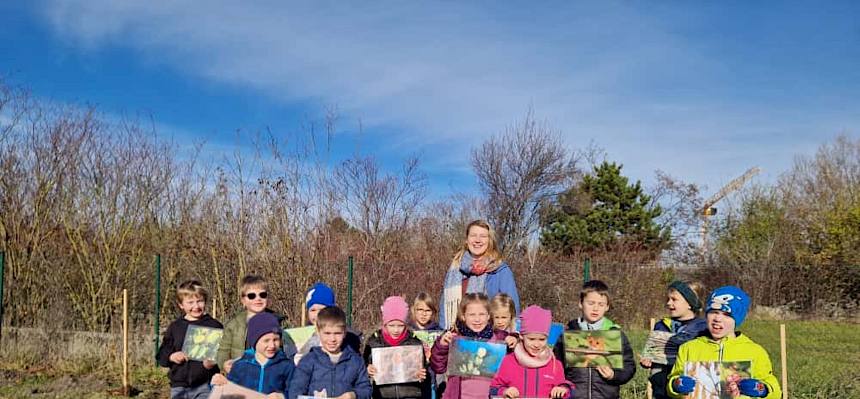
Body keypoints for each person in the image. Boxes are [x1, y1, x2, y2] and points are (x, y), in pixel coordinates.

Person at [668, 286, 781, 399]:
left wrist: (762, 389)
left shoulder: (755, 351)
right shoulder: (688, 348)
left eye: (726, 314)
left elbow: (775, 390)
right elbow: (672, 382)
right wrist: (676, 385)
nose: (717, 319)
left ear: (737, 320)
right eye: (713, 312)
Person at [554, 280, 636, 399]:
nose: (595, 308)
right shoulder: (568, 333)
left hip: (606, 395)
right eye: (591, 303)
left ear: (607, 307)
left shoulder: (615, 334)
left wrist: (613, 375)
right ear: (581, 304)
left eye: (601, 304)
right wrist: (562, 385)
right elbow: (556, 365)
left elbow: (629, 366)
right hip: (574, 395)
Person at [440, 220, 520, 330]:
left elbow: (513, 309)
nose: (477, 240)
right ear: (467, 240)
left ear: (489, 241)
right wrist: (444, 332)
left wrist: (512, 334)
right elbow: (445, 308)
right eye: (473, 235)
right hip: (458, 334)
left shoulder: (500, 270)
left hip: (492, 335)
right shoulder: (455, 269)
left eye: (483, 236)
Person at [430, 293, 508, 399]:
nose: (477, 319)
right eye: (472, 315)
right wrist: (442, 345)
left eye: (481, 314)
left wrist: (513, 339)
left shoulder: (498, 340)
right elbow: (438, 367)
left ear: (489, 315)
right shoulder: (456, 339)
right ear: (463, 316)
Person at [640, 280, 708, 399]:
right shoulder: (661, 326)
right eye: (668, 299)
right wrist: (648, 361)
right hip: (660, 390)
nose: (668, 303)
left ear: (690, 303)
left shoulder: (702, 329)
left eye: (674, 299)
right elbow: (653, 357)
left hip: (687, 390)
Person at [156, 279, 223, 399]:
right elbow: (161, 355)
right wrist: (172, 356)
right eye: (190, 302)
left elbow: (224, 354)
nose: (196, 306)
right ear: (181, 305)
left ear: (205, 301)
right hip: (179, 386)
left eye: (200, 301)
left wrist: (213, 363)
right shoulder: (175, 327)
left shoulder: (215, 326)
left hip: (206, 384)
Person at [289, 306, 373, 399]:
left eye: (337, 333)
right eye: (327, 333)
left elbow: (366, 389)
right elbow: (295, 392)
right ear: (318, 332)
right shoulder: (308, 361)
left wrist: (353, 395)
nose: (332, 339)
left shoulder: (355, 361)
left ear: (344, 333)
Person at [491, 305, 574, 398]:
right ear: (522, 336)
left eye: (542, 339)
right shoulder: (509, 361)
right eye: (532, 339)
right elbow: (493, 389)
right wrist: (505, 391)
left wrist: (563, 389)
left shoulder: (555, 364)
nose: (536, 344)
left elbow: (567, 389)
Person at [212, 312, 295, 398]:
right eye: (266, 341)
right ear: (254, 342)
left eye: (276, 340)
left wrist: (282, 396)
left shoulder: (286, 366)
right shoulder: (240, 365)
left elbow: (295, 392)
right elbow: (228, 391)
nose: (272, 345)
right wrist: (219, 382)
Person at [363, 296, 430, 399]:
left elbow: (424, 368)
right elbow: (362, 367)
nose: (396, 330)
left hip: (410, 395)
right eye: (391, 325)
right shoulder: (373, 342)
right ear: (385, 323)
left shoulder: (414, 342)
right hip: (382, 395)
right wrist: (368, 370)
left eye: (400, 325)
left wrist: (422, 374)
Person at [217, 274, 284, 373]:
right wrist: (224, 364)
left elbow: (285, 351)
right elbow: (223, 351)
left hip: (269, 374)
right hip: (241, 374)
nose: (258, 299)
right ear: (243, 300)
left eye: (262, 295)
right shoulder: (233, 325)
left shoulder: (278, 322)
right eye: (251, 296)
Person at [290, 282, 362, 361]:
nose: (317, 315)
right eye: (313, 310)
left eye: (322, 310)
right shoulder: (303, 335)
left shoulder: (348, 337)